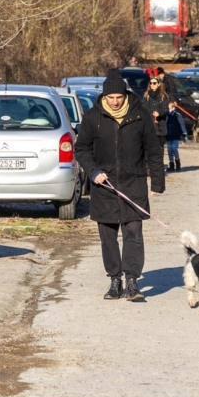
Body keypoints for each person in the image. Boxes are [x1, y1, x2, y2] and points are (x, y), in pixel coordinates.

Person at [74, 69, 164, 301]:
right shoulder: (93, 117)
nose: (115, 102)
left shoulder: (140, 115)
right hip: (104, 186)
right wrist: (93, 171)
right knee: (108, 236)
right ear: (104, 97)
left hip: (133, 183)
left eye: (119, 97)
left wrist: (157, 180)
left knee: (133, 233)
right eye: (111, 98)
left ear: (125, 95)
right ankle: (115, 280)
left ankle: (132, 281)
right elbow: (81, 149)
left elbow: (153, 149)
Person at [142, 71, 172, 166]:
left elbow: (166, 110)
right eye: (150, 83)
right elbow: (143, 109)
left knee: (158, 149)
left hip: (159, 127)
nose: (152, 85)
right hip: (148, 127)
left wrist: (159, 113)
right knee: (147, 149)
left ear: (159, 84)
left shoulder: (163, 97)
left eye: (154, 83)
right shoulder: (146, 96)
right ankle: (147, 167)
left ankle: (158, 167)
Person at [166, 104, 188, 173]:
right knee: (169, 150)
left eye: (169, 107)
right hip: (168, 135)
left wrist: (184, 134)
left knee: (174, 149)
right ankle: (171, 164)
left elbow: (182, 124)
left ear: (173, 107)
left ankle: (177, 162)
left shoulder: (177, 115)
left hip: (175, 135)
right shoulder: (166, 115)